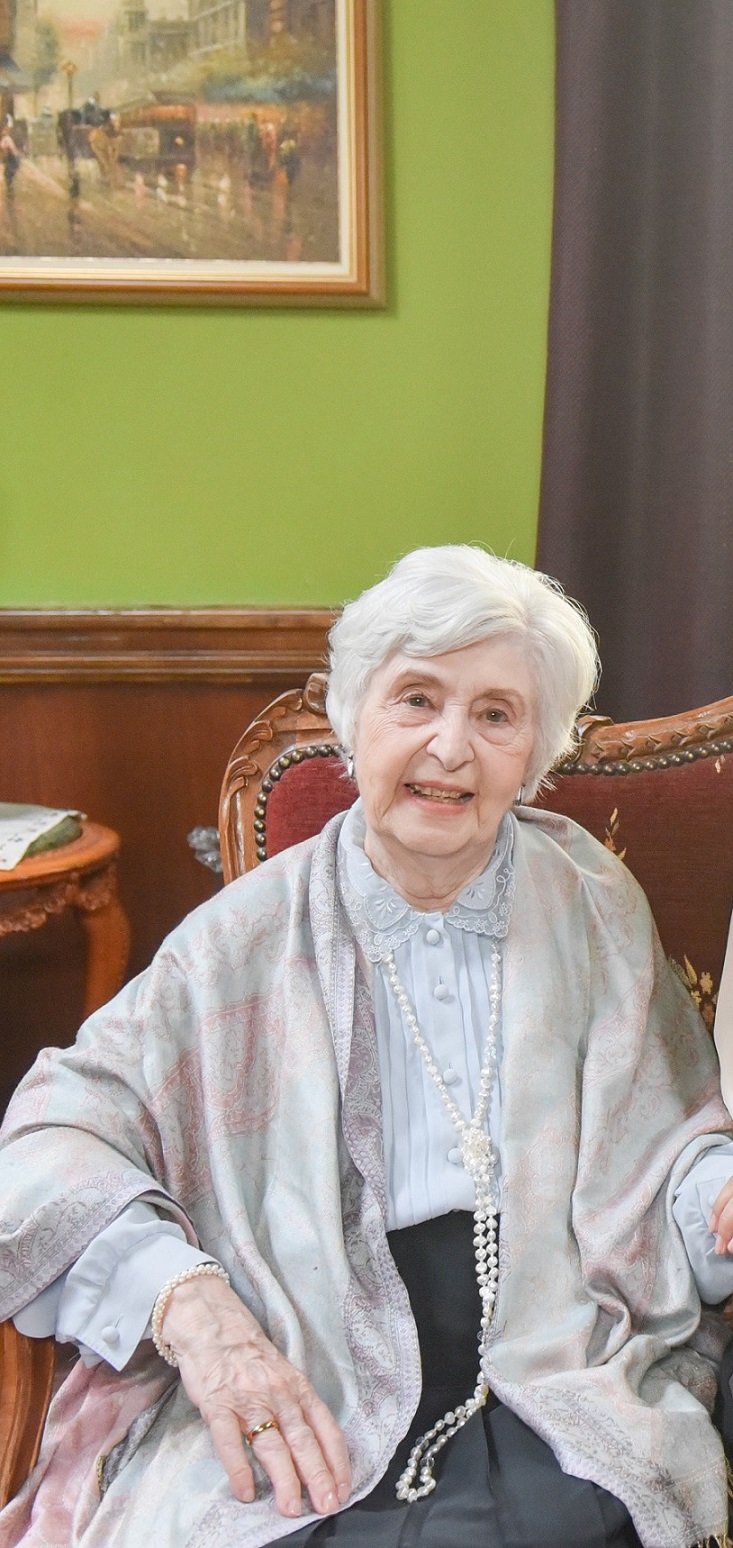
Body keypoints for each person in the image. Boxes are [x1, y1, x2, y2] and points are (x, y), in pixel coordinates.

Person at [2, 545, 733, 1548]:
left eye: (496, 714)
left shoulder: (591, 900)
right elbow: (44, 1143)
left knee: (586, 1515)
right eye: (415, 700)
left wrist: (716, 1197)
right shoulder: (242, 939)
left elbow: (663, 1147)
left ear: (535, 753)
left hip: (557, 1325)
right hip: (306, 1325)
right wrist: (192, 1307)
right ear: (354, 720)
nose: (450, 748)